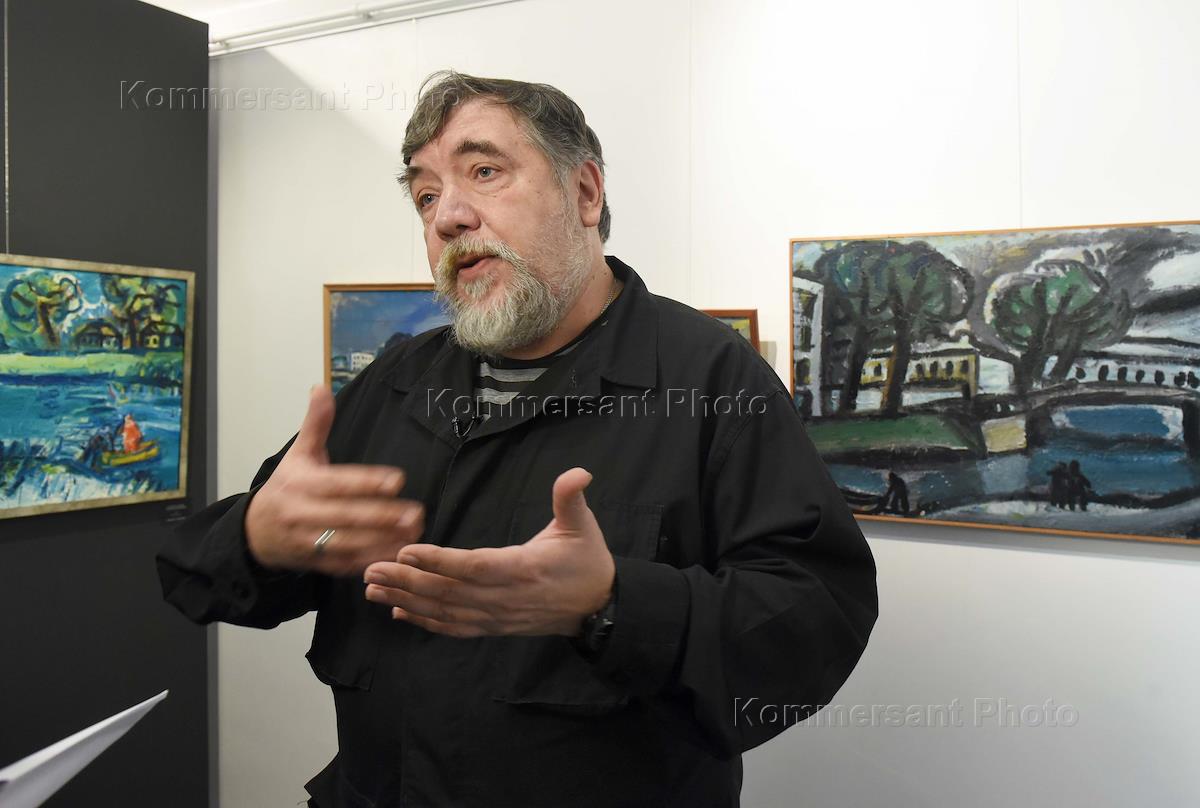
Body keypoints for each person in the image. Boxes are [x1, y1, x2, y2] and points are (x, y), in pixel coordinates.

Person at [157, 71, 878, 808]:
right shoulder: (395, 382)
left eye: (484, 172)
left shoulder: (710, 377)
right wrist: (255, 539)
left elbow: (816, 624)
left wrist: (611, 603)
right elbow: (190, 576)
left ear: (585, 193)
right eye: (425, 196)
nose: (447, 217)